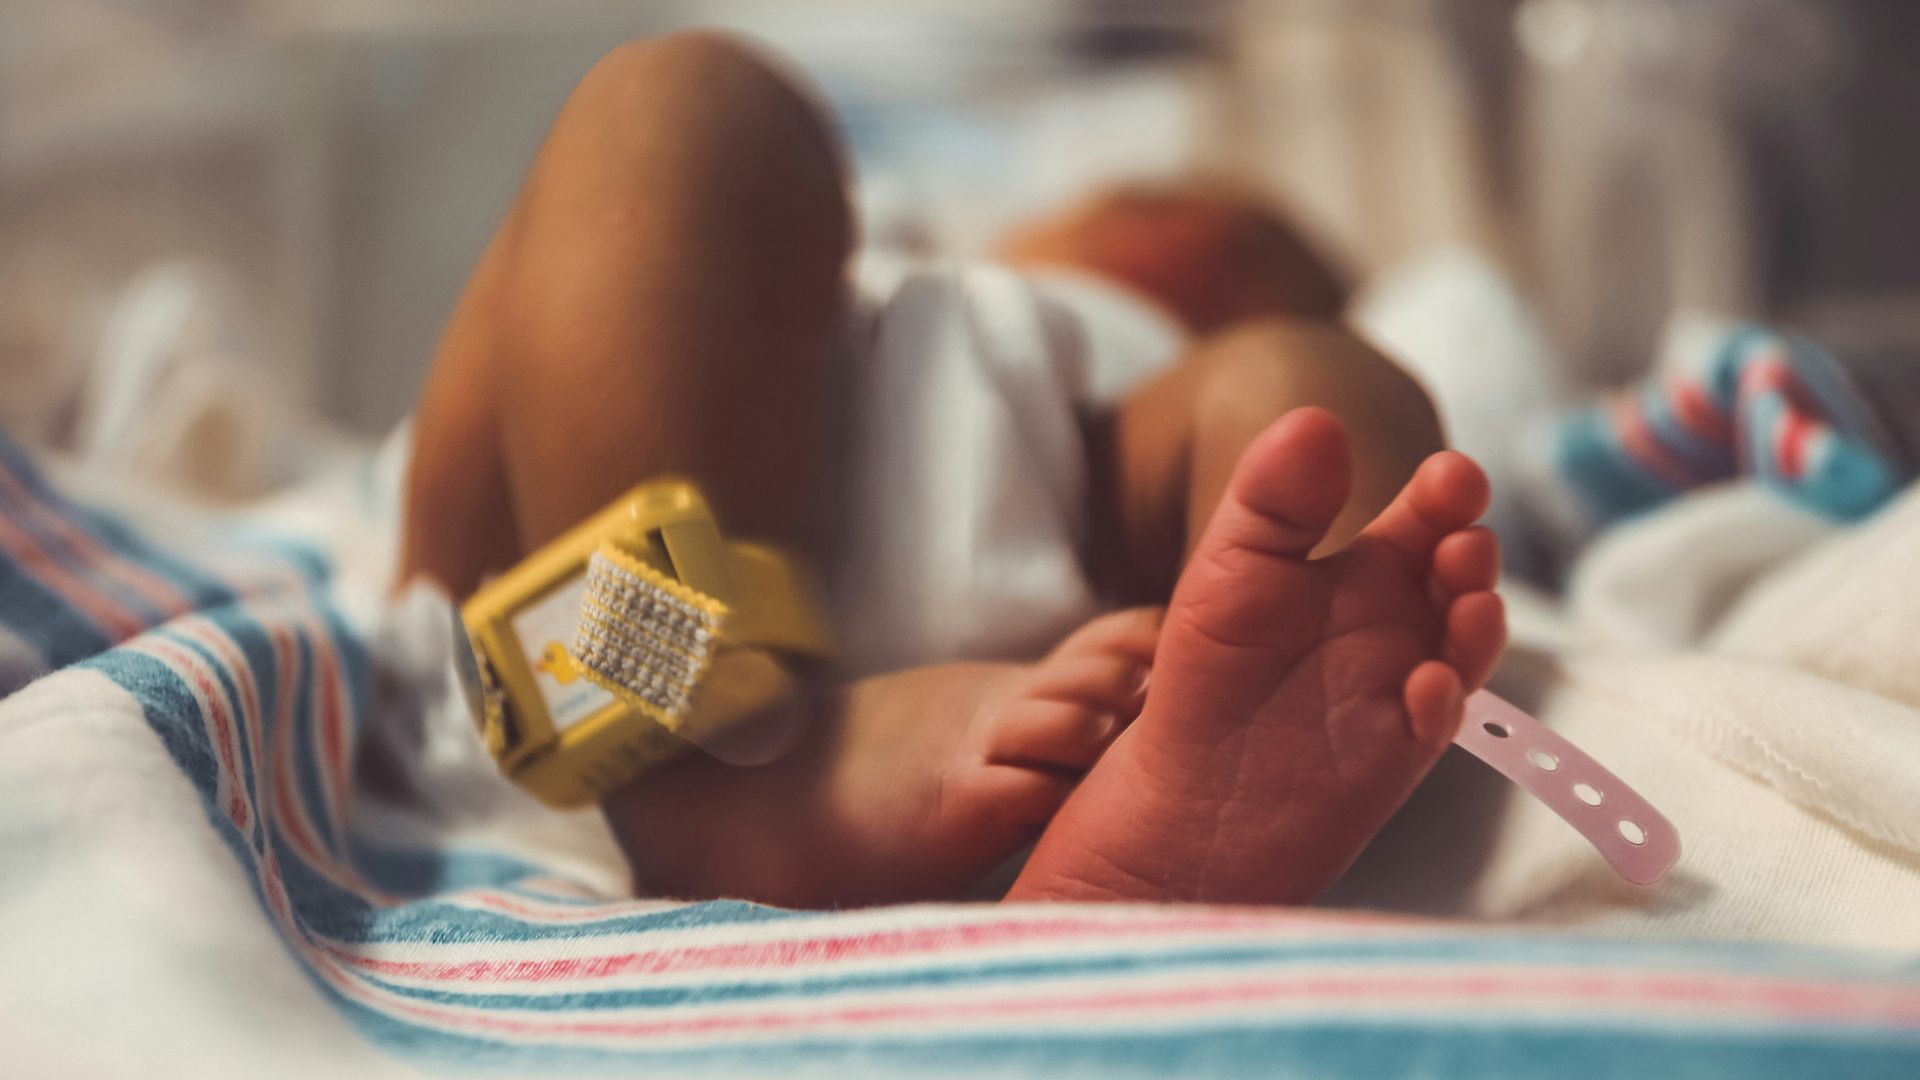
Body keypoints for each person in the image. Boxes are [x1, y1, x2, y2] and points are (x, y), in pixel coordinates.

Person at [397, 32, 1504, 908]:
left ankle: (1261, 722)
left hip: (1093, 650)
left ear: (1168, 252)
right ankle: (683, 767)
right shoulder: (898, 262)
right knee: (674, 117)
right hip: (563, 633)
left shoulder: (1118, 356)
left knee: (1305, 399)